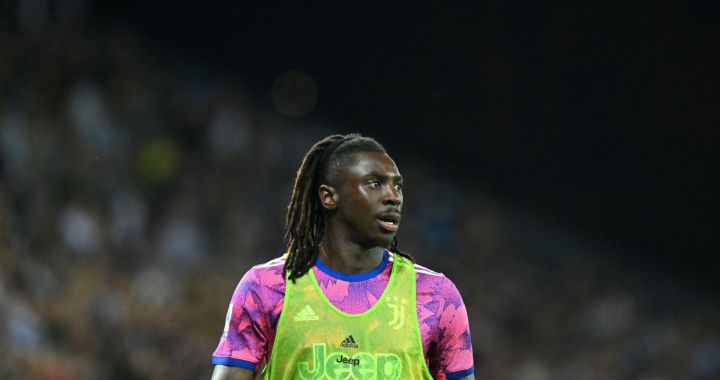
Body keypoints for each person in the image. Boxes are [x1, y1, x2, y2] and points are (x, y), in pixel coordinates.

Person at [211, 133, 474, 379]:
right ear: (329, 196)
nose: (393, 197)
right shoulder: (266, 286)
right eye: (374, 184)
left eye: (398, 186)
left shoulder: (436, 296)